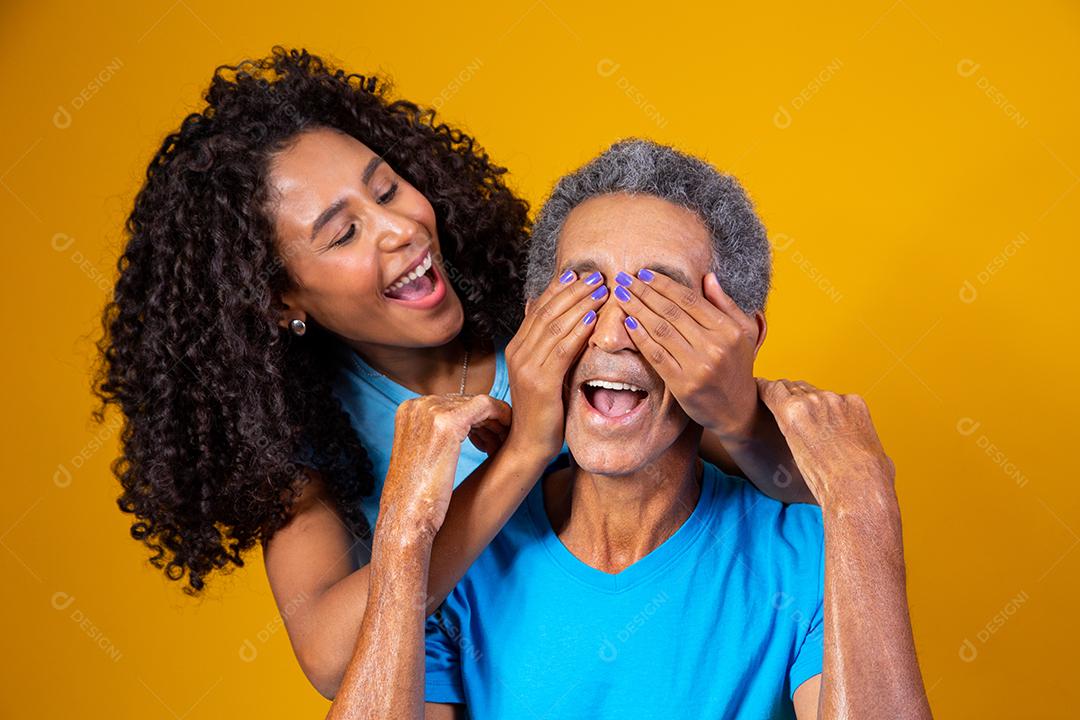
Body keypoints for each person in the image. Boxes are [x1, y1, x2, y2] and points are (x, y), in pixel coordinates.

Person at [95, 49, 815, 700]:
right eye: (343, 233)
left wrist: (734, 413)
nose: (399, 228)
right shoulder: (300, 433)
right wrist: (527, 449)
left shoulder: (546, 321)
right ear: (280, 299)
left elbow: (802, 487)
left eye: (387, 188)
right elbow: (330, 660)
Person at [327, 140, 932, 719]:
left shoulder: (805, 556)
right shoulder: (463, 564)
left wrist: (863, 503)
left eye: (658, 303)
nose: (612, 334)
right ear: (534, 321)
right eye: (581, 294)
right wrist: (404, 544)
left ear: (739, 338)